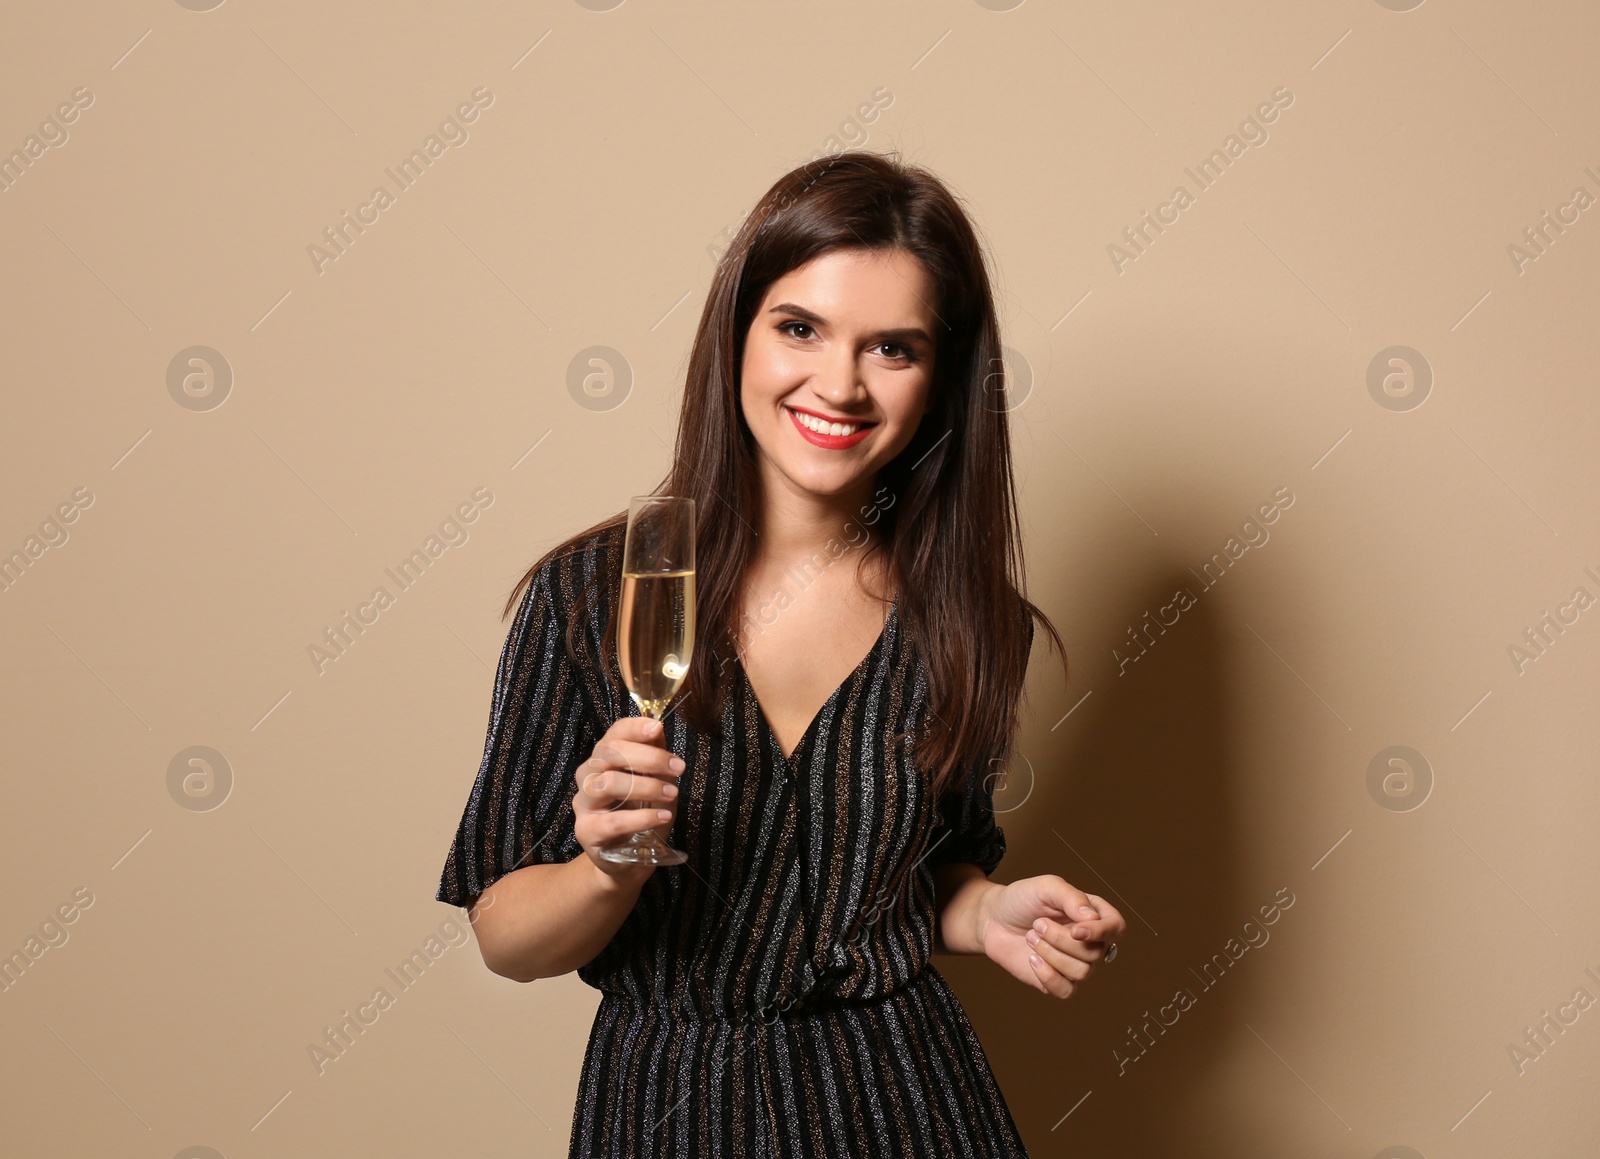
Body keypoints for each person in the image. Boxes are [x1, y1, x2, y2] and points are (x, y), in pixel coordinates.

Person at [436, 150, 1126, 1158]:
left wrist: (988, 915)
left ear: (940, 383)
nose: (838, 384)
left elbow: (912, 881)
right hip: (670, 1105)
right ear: (736, 335)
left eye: (893, 348)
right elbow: (505, 938)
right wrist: (605, 865)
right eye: (799, 327)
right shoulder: (596, 596)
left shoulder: (974, 623)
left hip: (909, 1101)